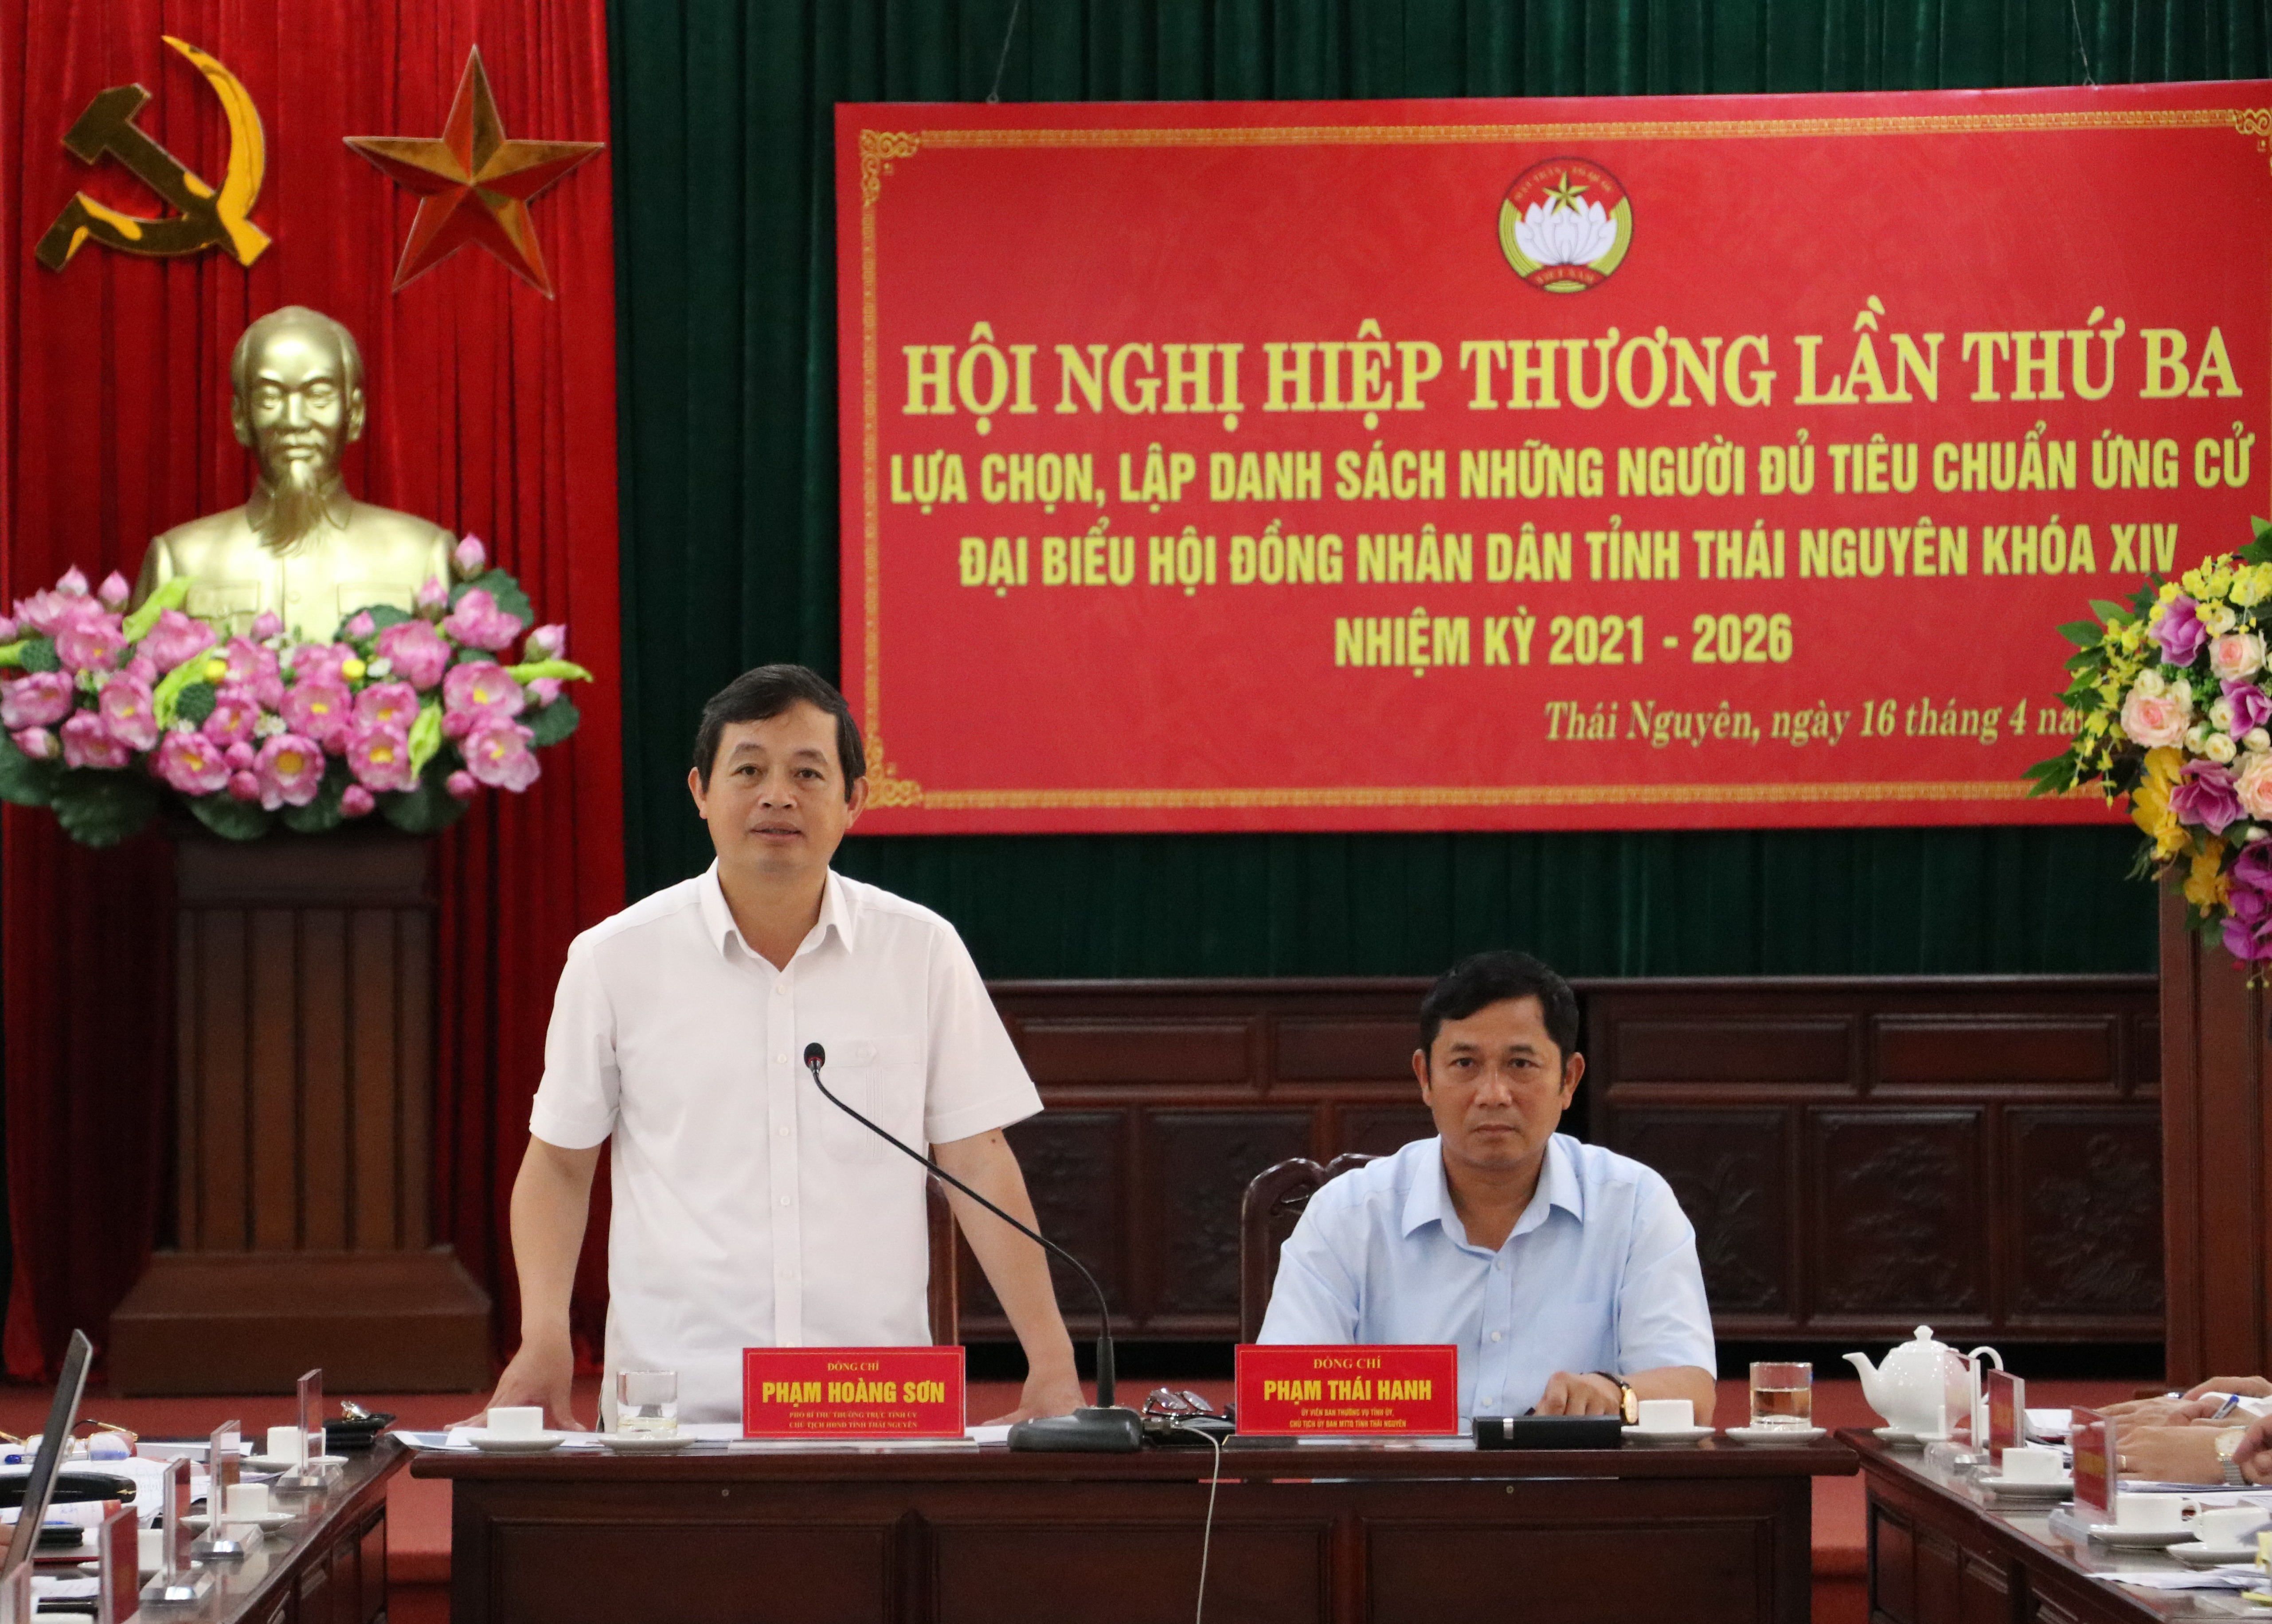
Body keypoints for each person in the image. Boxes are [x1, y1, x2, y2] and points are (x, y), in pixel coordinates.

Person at [473, 664, 1085, 1428]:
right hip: (675, 1407)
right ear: (700, 791)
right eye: (749, 770)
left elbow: (978, 1157)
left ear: (854, 799)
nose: (777, 795)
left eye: (807, 772)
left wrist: (1051, 1360)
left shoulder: (920, 950)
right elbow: (561, 1163)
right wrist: (543, 1338)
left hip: (871, 1402)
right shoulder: (614, 958)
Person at [1259, 949, 1717, 1422]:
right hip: (1396, 1473)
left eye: (1520, 1064)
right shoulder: (1347, 1214)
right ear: (1425, 1077)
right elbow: (1281, 1394)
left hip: (1569, 1475)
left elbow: (1691, 1390)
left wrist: (1613, 1393)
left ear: (1568, 1080)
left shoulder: (1634, 1204)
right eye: (1464, 1063)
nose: (1493, 1094)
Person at [133, 305, 453, 641]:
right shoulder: (180, 560)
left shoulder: (423, 556)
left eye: (319, 395)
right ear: (240, 417)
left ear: (355, 414)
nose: (294, 421)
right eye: (269, 397)